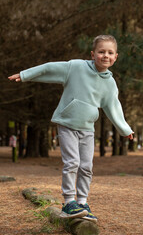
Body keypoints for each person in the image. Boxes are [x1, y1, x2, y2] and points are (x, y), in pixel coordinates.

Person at [8, 35, 134, 223]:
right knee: (72, 162)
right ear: (93, 54)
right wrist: (25, 75)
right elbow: (49, 68)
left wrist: (125, 129)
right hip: (67, 124)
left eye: (110, 53)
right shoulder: (76, 67)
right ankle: (69, 202)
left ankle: (82, 203)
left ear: (116, 57)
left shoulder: (109, 83)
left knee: (86, 166)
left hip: (87, 129)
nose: (105, 56)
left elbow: (113, 107)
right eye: (101, 52)